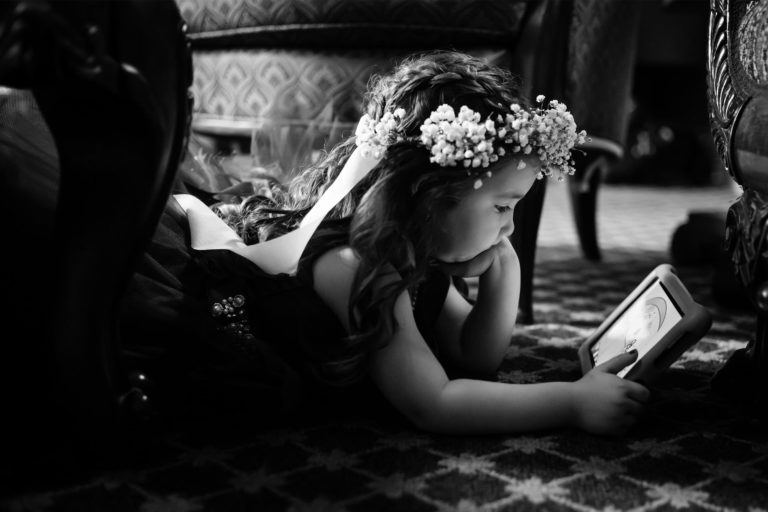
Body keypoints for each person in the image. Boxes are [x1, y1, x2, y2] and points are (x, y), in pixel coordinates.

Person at [121, 51, 650, 436]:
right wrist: (572, 404)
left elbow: (474, 358)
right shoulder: (355, 266)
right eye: (502, 207)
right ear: (428, 195)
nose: (509, 225)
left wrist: (503, 271)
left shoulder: (417, 247)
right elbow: (435, 403)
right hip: (226, 331)